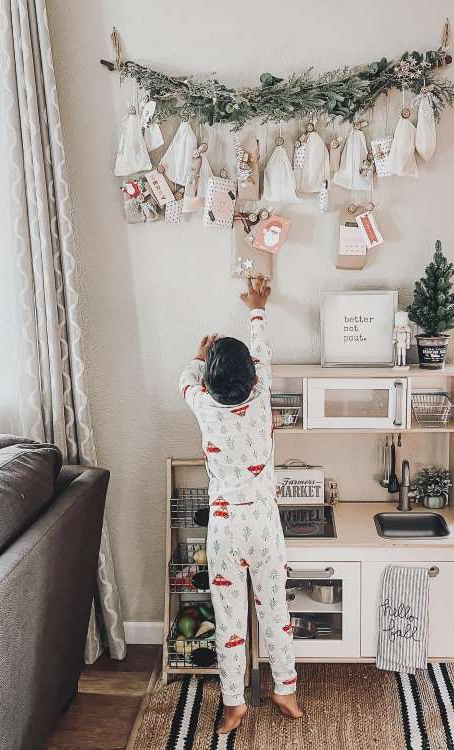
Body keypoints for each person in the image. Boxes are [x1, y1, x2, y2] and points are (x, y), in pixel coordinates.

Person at [179, 277, 303, 734]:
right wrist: (257, 307)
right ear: (253, 377)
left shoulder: (204, 406)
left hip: (225, 530)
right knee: (276, 612)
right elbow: (262, 350)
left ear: (209, 382)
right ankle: (284, 688)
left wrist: (199, 353)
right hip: (265, 528)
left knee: (230, 619)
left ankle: (235, 703)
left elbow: (184, 379)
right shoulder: (263, 396)